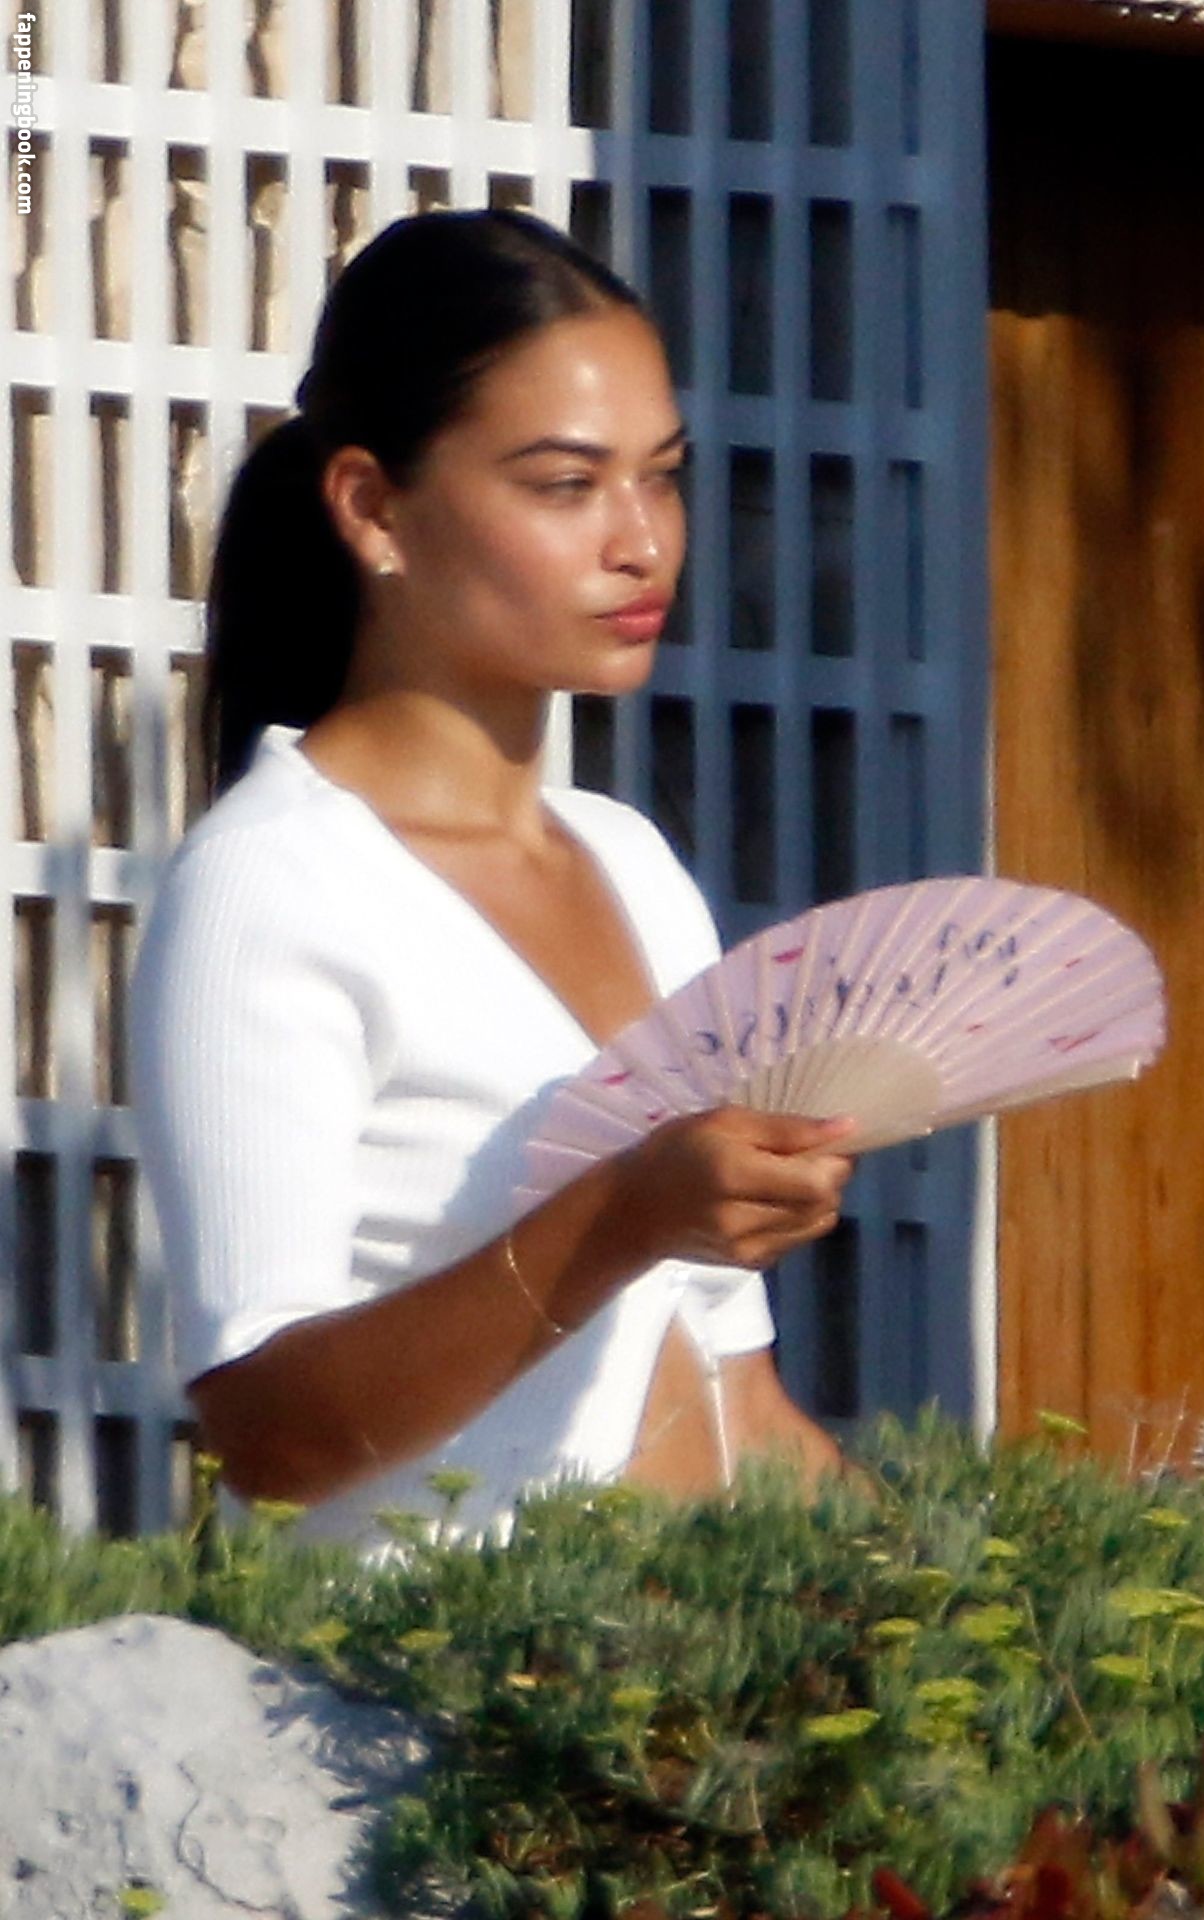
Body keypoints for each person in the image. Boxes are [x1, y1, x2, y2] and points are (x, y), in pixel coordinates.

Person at [130, 209, 861, 1549]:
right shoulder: (274, 887)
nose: (641, 542)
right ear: (372, 507)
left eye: (663, 476)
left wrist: (987, 1611)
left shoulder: (633, 864)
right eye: (566, 485)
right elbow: (267, 1433)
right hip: (430, 1672)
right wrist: (620, 1217)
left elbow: (740, 1407)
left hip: (685, 1667)